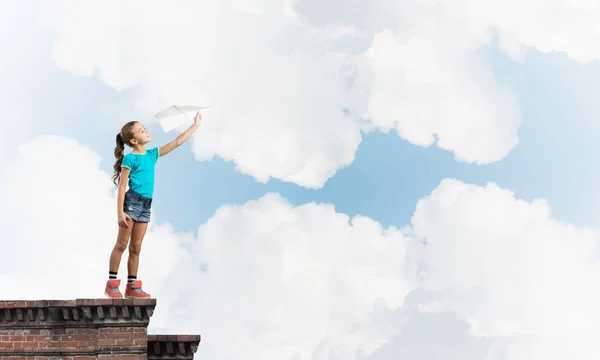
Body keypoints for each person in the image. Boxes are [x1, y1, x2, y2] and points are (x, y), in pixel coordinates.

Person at [104, 111, 203, 299]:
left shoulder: (152, 154)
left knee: (136, 247)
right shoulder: (130, 158)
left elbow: (177, 142)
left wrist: (195, 125)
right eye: (141, 130)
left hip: (146, 205)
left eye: (144, 128)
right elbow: (122, 185)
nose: (146, 131)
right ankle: (112, 284)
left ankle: (131, 286)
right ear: (134, 141)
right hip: (131, 202)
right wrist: (119, 212)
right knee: (122, 244)